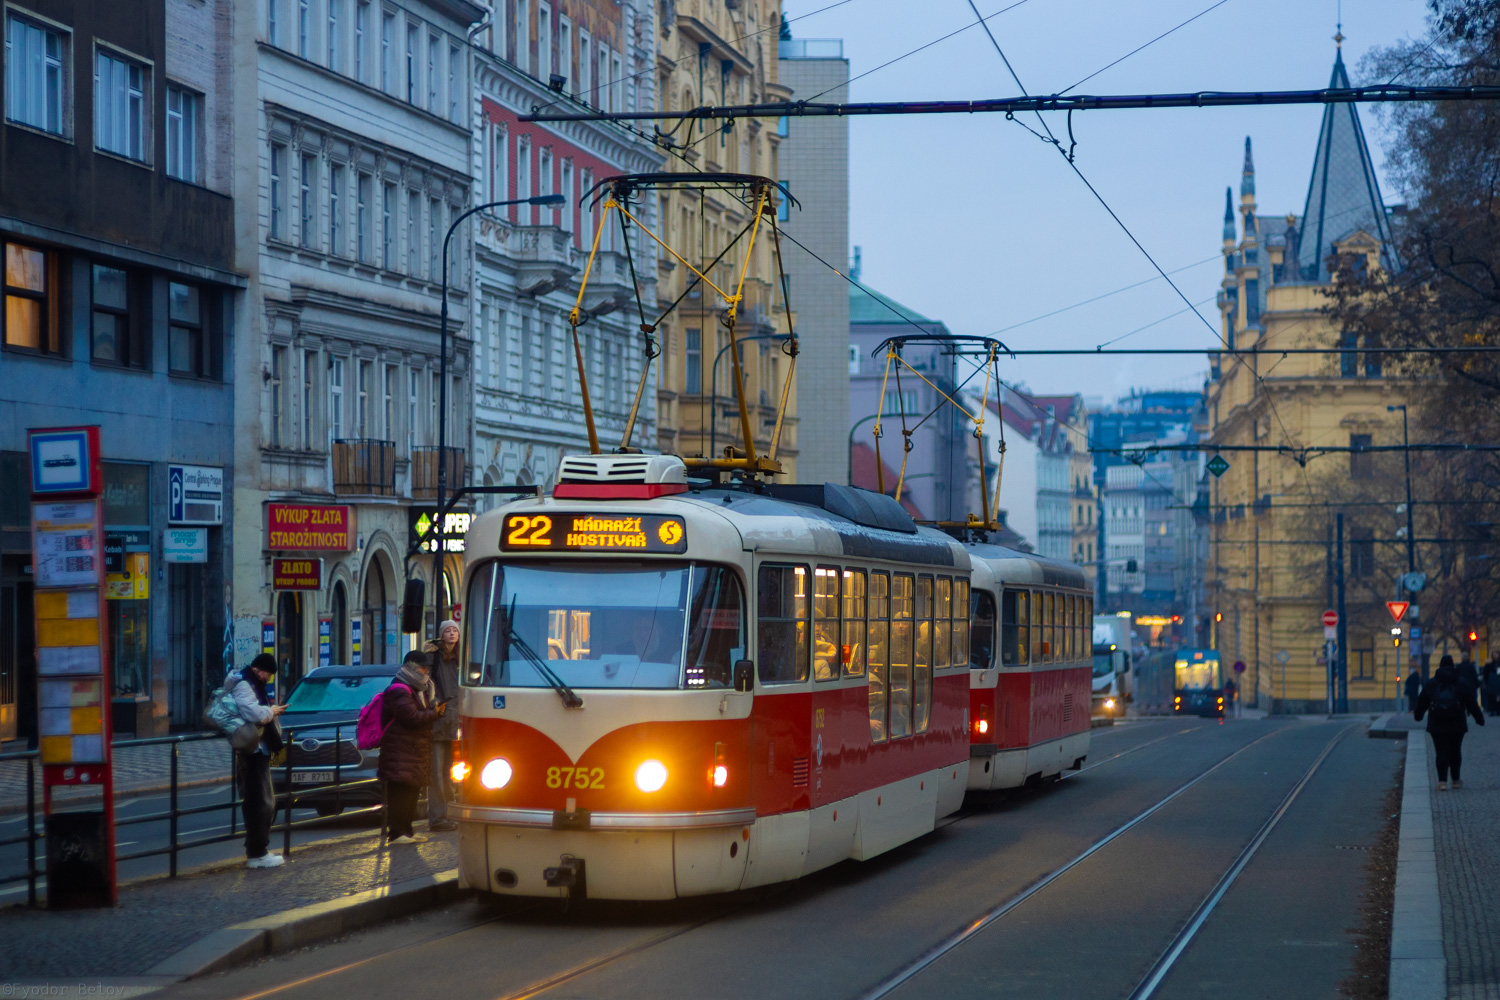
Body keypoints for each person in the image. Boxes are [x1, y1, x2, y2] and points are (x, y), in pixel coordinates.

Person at [379, 650, 445, 843]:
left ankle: (407, 831)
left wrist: (434, 711)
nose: (426, 672)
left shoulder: (418, 688)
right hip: (401, 749)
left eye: (427, 668)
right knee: (400, 792)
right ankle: (397, 833)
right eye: (423, 668)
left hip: (413, 748)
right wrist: (435, 713)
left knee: (411, 790)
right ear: (412, 667)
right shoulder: (399, 689)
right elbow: (411, 717)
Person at [230, 653, 287, 868]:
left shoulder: (250, 682)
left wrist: (270, 712)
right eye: (269, 675)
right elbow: (255, 715)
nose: (269, 679)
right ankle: (257, 853)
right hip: (252, 750)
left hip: (257, 749)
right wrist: (271, 711)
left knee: (263, 802)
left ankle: (258, 850)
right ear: (259, 670)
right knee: (260, 803)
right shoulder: (244, 684)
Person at [1414, 654, 1485, 791]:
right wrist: (1479, 718)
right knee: (1455, 751)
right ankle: (1456, 780)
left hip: (1437, 722)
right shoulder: (1461, 682)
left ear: (1440, 665)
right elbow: (1471, 702)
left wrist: (1418, 716)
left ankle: (1441, 782)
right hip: (1457, 722)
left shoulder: (1432, 683)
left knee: (1441, 751)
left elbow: (1422, 701)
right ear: (1453, 665)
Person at [423, 620, 461, 833]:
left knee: (450, 772)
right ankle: (438, 817)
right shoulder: (433, 657)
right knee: (437, 773)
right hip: (439, 723)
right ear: (441, 634)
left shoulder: (461, 657)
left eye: (455, 630)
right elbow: (426, 684)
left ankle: (448, 814)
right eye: (447, 630)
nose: (452, 633)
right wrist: (437, 706)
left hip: (456, 723)